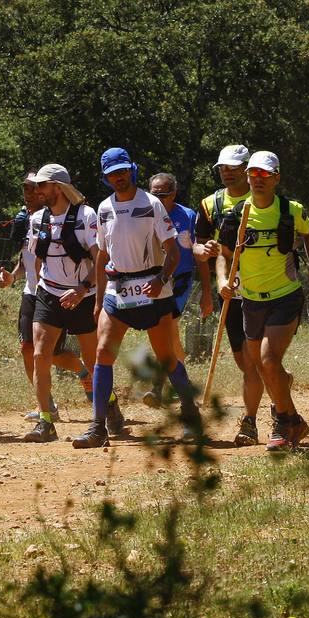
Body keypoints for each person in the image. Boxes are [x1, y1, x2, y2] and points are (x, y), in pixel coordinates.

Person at [75, 148, 197, 449]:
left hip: (153, 292)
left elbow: (174, 251)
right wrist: (98, 299)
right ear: (105, 178)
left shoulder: (152, 203)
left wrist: (161, 280)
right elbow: (102, 254)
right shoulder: (104, 208)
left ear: (132, 169)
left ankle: (191, 414)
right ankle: (97, 426)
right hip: (118, 293)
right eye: (111, 174)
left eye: (122, 171)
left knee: (167, 358)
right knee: (103, 353)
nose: (118, 177)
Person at [216, 151, 309, 450]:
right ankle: (295, 420)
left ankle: (283, 422)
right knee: (265, 369)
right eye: (253, 174)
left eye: (264, 175)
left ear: (276, 178)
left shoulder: (290, 210)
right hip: (250, 300)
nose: (257, 180)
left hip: (285, 296)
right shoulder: (236, 215)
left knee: (268, 359)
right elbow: (225, 255)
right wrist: (222, 281)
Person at [0, 170, 92, 426]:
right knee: (30, 349)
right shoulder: (28, 219)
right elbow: (27, 259)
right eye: (26, 189)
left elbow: (96, 257)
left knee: (55, 353)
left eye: (34, 187)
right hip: (37, 292)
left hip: (70, 291)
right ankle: (47, 408)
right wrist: (13, 278)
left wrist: (84, 288)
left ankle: (85, 373)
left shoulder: (77, 217)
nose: (29, 193)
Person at [193, 144, 266, 446]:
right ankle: (278, 382)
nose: (227, 172)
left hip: (264, 289)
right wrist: (205, 250)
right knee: (245, 362)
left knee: (260, 359)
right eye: (223, 167)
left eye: (233, 167)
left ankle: (252, 422)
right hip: (230, 290)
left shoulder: (262, 198)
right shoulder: (210, 204)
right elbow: (197, 247)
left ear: (246, 169)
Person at [23, 164, 102, 443]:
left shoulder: (86, 215)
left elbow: (99, 259)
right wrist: (37, 290)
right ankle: (45, 421)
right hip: (47, 294)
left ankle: (105, 411)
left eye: (42, 186)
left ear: (58, 187)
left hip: (83, 296)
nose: (37, 191)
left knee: (94, 361)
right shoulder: (37, 219)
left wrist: (82, 290)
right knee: (39, 354)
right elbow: (37, 257)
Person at [144, 172, 214, 408]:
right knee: (164, 333)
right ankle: (180, 385)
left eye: (163, 195)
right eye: (154, 194)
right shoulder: (143, 213)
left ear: (173, 194)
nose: (158, 199)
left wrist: (206, 291)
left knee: (168, 328)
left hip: (180, 280)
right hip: (153, 281)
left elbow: (198, 253)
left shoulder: (187, 215)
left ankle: (158, 386)